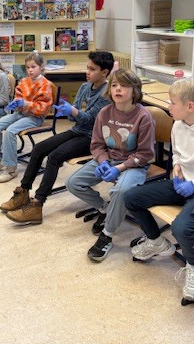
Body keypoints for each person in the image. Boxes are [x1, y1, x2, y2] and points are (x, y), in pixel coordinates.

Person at [124, 76, 194, 303]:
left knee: (181, 227)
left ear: (190, 106)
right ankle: (156, 241)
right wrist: (177, 164)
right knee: (131, 197)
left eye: (172, 102)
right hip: (184, 183)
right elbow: (176, 151)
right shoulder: (178, 123)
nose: (168, 106)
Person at [1, 51, 115, 225]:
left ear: (105, 72)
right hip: (77, 130)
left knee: (55, 156)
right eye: (87, 67)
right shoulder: (85, 87)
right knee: (39, 149)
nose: (87, 72)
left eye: (92, 69)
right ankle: (23, 192)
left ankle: (37, 204)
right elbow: (75, 118)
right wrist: (70, 112)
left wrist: (73, 111)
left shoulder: (106, 95)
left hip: (93, 138)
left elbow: (90, 120)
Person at [66, 69, 155, 262]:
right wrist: (103, 162)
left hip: (133, 165)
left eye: (124, 85)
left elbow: (146, 154)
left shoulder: (143, 116)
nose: (118, 89)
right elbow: (97, 144)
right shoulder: (105, 112)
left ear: (135, 90)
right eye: (114, 85)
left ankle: (107, 234)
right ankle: (105, 209)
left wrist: (119, 168)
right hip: (108, 160)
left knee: (121, 191)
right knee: (73, 182)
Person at [0, 52, 53, 184]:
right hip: (19, 114)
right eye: (28, 67)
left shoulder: (45, 84)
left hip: (35, 117)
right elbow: (18, 97)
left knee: (10, 131)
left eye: (33, 67)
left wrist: (25, 104)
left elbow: (43, 109)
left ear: (41, 67)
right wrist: (16, 104)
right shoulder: (23, 81)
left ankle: (10, 169)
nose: (30, 70)